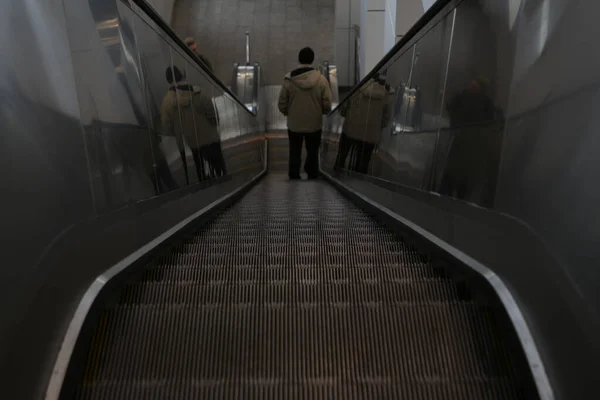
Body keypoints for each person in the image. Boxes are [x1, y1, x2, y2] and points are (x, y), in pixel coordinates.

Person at [161, 66, 224, 182]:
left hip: (189, 143)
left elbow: (166, 126)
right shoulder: (197, 93)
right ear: (181, 76)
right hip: (210, 138)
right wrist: (213, 124)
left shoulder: (167, 102)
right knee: (218, 166)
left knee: (199, 169)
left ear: (168, 80)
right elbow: (211, 112)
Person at [278, 47, 332, 180]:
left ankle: (294, 174)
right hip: (314, 123)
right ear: (312, 60)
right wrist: (322, 111)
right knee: (313, 151)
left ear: (299, 59)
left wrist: (288, 113)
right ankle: (312, 173)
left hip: (294, 124)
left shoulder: (289, 79)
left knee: (294, 150)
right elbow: (327, 103)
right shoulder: (321, 79)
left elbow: (282, 103)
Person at [336, 74, 390, 174]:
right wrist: (376, 124)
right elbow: (386, 119)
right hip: (370, 135)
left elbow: (344, 108)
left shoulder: (356, 89)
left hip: (350, 131)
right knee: (363, 163)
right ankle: (357, 183)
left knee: (342, 156)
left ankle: (337, 175)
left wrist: (346, 114)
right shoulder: (385, 94)